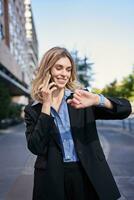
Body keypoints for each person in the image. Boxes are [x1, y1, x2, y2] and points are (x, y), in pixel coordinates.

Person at [24, 46, 132, 200]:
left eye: (68, 69)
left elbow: (125, 109)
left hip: (88, 174)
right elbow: (36, 147)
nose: (64, 74)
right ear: (47, 70)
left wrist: (97, 99)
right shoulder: (33, 110)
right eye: (59, 68)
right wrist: (46, 106)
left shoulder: (81, 99)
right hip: (52, 179)